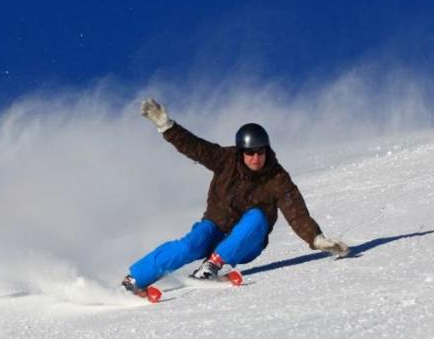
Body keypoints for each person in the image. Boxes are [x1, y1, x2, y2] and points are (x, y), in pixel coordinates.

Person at [122, 98, 349, 298]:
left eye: (260, 152)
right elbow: (196, 148)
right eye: (250, 152)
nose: (255, 157)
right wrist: (167, 127)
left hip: (246, 242)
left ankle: (212, 266)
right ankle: (135, 280)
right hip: (214, 227)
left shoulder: (277, 177)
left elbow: (296, 211)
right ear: (241, 151)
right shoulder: (226, 159)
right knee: (189, 245)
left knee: (258, 217)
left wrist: (316, 239)